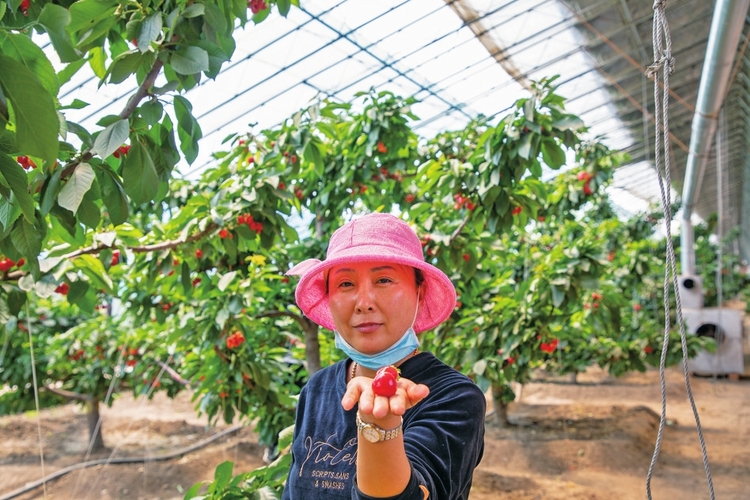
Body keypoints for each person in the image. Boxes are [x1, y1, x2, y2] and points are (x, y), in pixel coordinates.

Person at [281, 212, 486, 500]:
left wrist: (379, 426)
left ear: (419, 291)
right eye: (345, 284)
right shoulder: (317, 388)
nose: (364, 303)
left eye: (384, 279)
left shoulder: (453, 397)